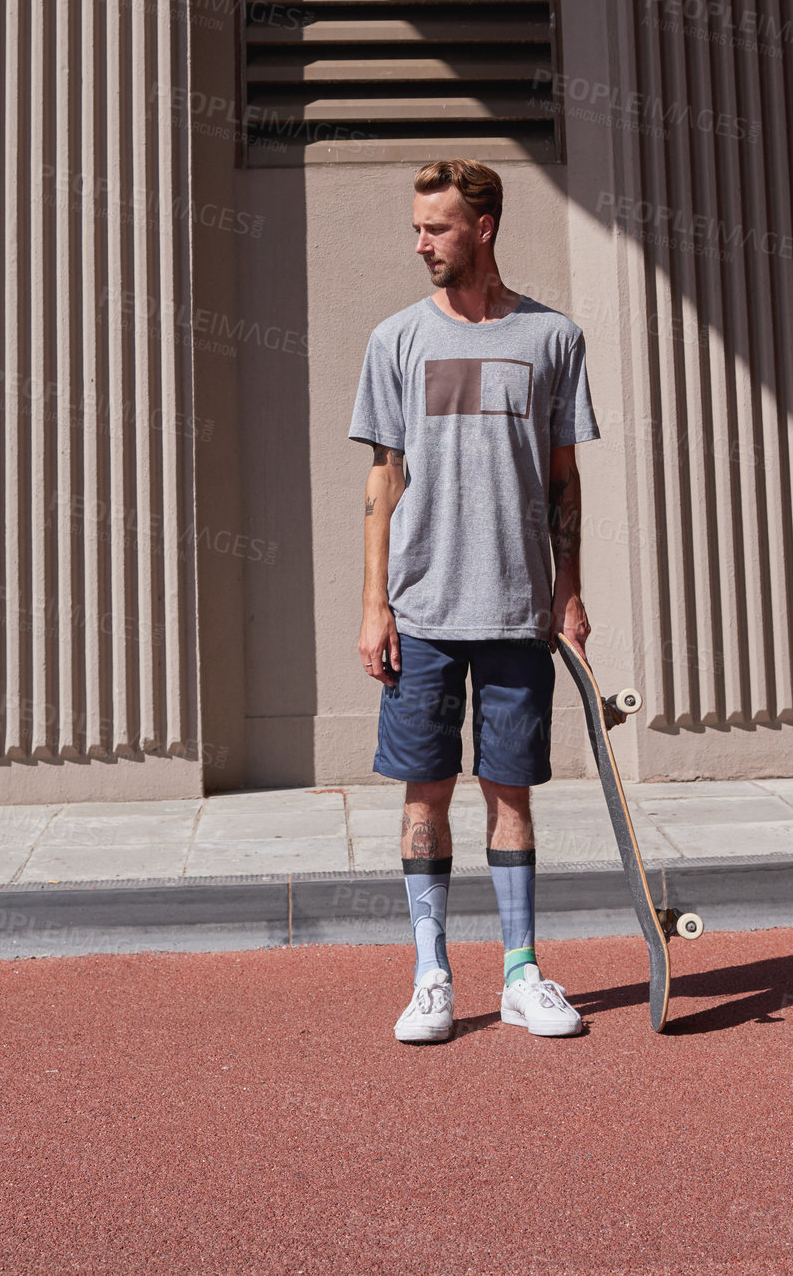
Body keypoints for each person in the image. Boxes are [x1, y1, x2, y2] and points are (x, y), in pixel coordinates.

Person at [349, 158, 601, 1043]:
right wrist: (373, 603)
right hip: (421, 613)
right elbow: (384, 478)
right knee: (425, 793)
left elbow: (565, 484)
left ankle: (525, 971)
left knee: (512, 792)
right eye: (418, 227)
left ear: (483, 228)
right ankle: (432, 976)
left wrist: (569, 592)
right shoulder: (396, 340)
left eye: (438, 227)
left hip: (517, 610)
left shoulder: (553, 339)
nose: (422, 243)